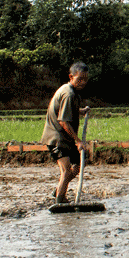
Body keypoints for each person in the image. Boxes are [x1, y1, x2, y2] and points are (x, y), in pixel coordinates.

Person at [41, 61, 90, 204]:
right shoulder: (68, 94)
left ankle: (58, 190)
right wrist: (79, 141)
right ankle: (60, 199)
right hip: (57, 138)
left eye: (85, 80)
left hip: (64, 138)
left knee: (81, 162)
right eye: (79, 79)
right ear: (71, 77)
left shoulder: (72, 92)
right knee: (67, 170)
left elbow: (67, 111)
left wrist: (81, 111)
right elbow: (63, 121)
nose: (82, 82)